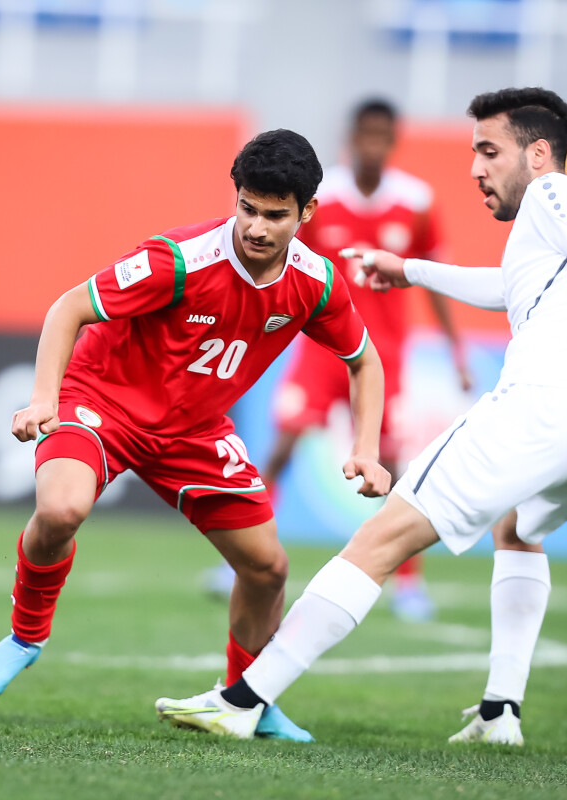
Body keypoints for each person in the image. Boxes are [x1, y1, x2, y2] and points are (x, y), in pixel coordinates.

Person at [156, 87, 567, 745]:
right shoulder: (550, 223)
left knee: (378, 540)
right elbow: (509, 289)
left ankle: (243, 700)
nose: (475, 168)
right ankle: (501, 714)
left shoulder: (559, 194)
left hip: (553, 407)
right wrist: (411, 270)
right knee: (516, 529)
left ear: (538, 155)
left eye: (488, 151)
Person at [0, 129, 392, 742]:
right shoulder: (181, 259)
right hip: (103, 400)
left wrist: (366, 450)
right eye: (247, 207)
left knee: (268, 568)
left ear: (307, 213)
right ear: (235, 197)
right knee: (60, 509)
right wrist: (43, 398)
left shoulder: (315, 283)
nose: (257, 228)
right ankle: (26, 636)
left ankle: (247, 700)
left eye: (276, 215)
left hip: (192, 430)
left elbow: (364, 361)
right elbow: (68, 309)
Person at [203, 99, 473, 623]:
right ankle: (237, 559)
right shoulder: (321, 201)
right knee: (280, 446)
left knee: (389, 463)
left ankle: (408, 584)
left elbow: (434, 279)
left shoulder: (415, 201)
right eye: (364, 134)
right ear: (352, 138)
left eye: (381, 135)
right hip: (320, 348)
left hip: (383, 356)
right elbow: (283, 263)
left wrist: (456, 349)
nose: (372, 144)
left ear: (393, 140)